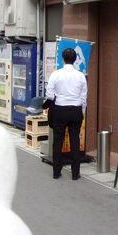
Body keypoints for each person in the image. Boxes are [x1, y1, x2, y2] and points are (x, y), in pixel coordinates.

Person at [45, 47, 88, 180]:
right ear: (75, 60)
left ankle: (56, 172)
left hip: (60, 110)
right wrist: (82, 112)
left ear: (63, 59)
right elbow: (83, 98)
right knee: (75, 141)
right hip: (75, 110)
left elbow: (49, 95)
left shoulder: (56, 74)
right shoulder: (81, 76)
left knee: (58, 141)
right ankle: (76, 173)